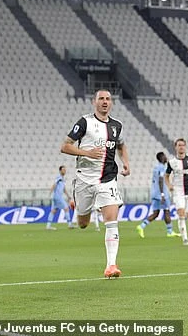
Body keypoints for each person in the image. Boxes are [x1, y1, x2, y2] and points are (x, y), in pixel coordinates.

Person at [60, 89, 130, 278]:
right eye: (101, 99)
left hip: (108, 179)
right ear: (94, 102)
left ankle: (111, 265)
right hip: (84, 180)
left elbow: (121, 145)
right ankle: (80, 207)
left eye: (108, 99)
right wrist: (87, 153)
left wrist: (126, 163)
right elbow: (65, 146)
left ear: (111, 103)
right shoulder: (85, 122)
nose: (105, 102)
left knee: (112, 221)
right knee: (83, 223)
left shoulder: (117, 126)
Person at [165, 138, 188, 246]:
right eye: (179, 145)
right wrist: (169, 185)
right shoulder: (172, 162)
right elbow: (166, 176)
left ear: (185, 147)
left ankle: (186, 214)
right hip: (178, 191)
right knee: (181, 213)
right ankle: (185, 238)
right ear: (175, 147)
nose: (181, 147)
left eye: (183, 145)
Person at [137, 152, 180, 238]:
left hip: (155, 193)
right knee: (166, 211)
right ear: (161, 158)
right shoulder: (162, 167)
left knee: (156, 213)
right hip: (161, 194)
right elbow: (161, 180)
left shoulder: (156, 167)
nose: (166, 157)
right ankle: (170, 232)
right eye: (164, 156)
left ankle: (141, 226)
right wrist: (162, 194)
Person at [46, 165, 75, 230]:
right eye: (63, 170)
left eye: (65, 170)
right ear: (60, 171)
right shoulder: (59, 178)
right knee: (66, 208)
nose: (65, 171)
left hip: (56, 197)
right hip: (58, 197)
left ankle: (48, 226)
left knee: (53, 211)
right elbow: (54, 185)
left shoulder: (62, 179)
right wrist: (50, 193)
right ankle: (69, 224)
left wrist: (68, 196)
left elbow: (63, 189)